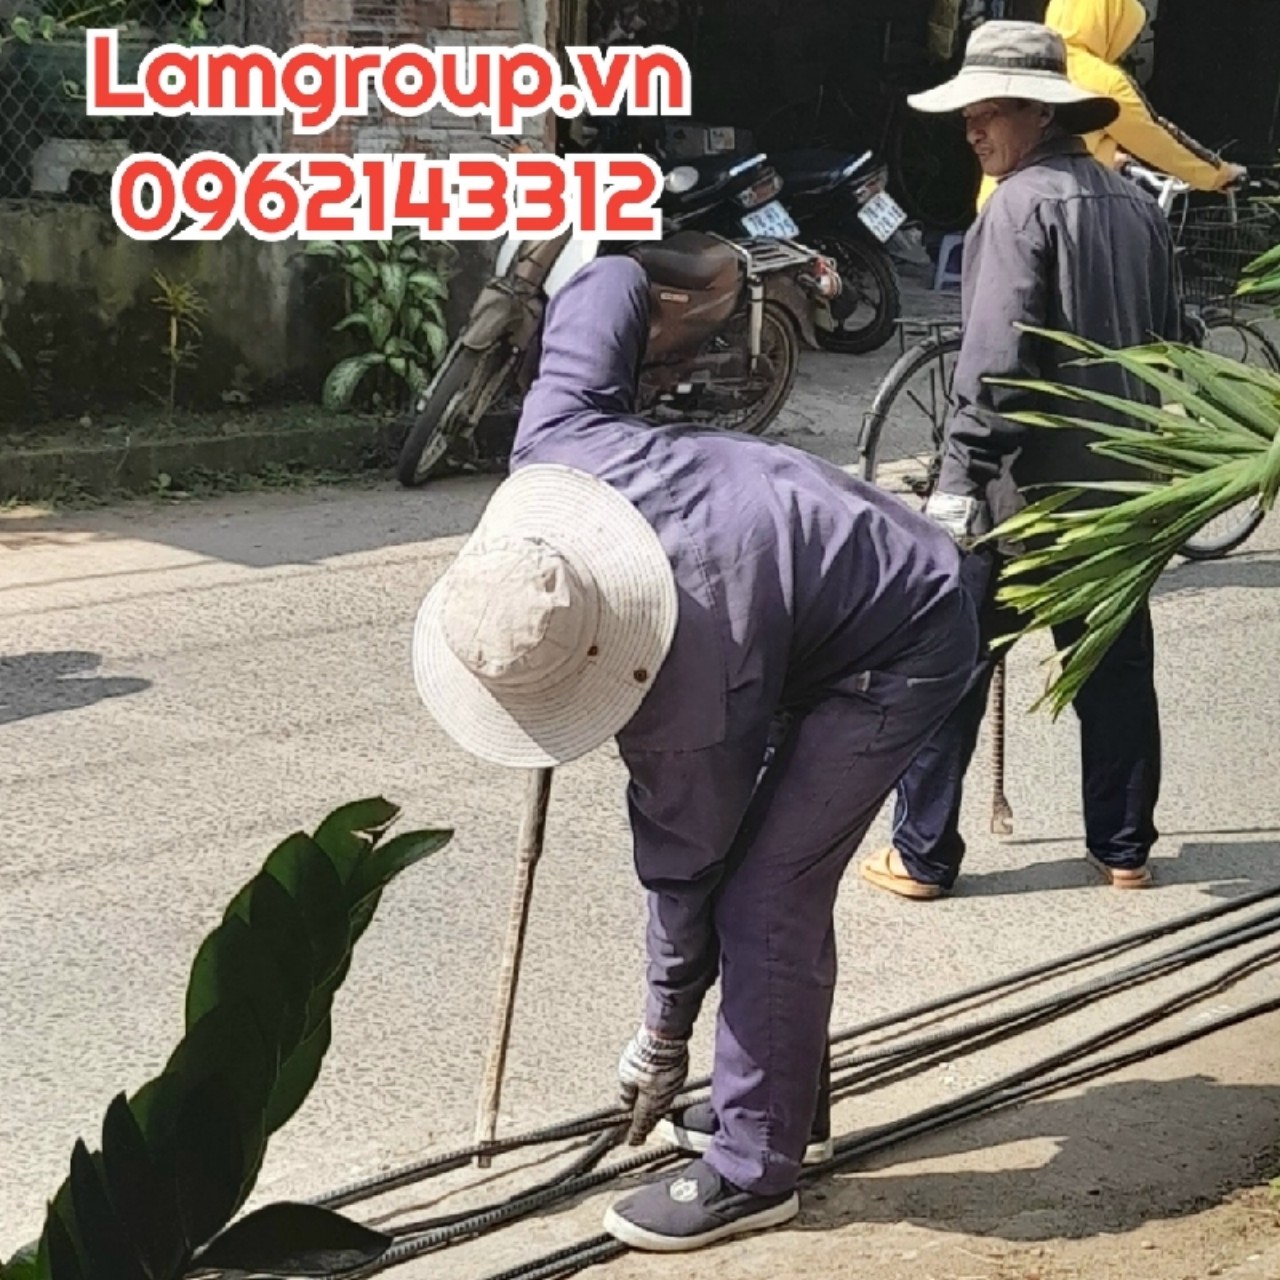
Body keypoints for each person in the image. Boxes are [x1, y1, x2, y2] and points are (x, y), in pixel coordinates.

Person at [410, 253, 981, 1252]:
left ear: (602, 658)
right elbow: (602, 294)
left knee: (765, 893)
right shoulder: (553, 441)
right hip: (803, 598)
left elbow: (685, 870)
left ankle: (755, 1169)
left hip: (903, 632)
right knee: (768, 880)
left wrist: (659, 1036)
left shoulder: (683, 684)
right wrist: (639, 257)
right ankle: (783, 1097)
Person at [855, 19, 1182, 903]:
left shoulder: (1018, 207)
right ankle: (1123, 848)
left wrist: (957, 485)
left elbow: (994, 367)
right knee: (1114, 674)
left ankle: (922, 854)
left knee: (946, 667)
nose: (971, 132)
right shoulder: (1137, 206)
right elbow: (1174, 343)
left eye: (985, 113)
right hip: (1115, 496)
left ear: (1037, 113)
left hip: (1019, 497)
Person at [975, 0, 1246, 211]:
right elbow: (1156, 139)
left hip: (996, 202)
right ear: (1111, 22)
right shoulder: (1101, 79)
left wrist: (1103, 154)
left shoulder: (1030, 57)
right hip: (1053, 214)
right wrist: (1218, 175)